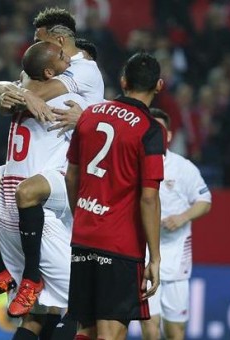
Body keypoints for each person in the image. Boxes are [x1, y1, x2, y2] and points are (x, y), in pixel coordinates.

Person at [0, 7, 104, 316]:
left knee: (27, 192)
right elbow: (6, 92)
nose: (32, 46)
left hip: (65, 169)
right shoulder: (43, 65)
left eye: (38, 40)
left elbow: (35, 89)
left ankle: (30, 278)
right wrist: (6, 94)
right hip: (31, 162)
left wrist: (21, 93)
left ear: (57, 40)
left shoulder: (83, 69)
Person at [64, 52, 166, 340]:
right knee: (110, 332)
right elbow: (149, 198)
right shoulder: (149, 130)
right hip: (120, 244)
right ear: (159, 85)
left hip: (84, 234)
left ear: (123, 81)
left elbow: (71, 175)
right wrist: (155, 258)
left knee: (86, 328)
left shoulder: (90, 114)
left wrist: (82, 215)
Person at [0, 41, 88, 340]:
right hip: (44, 214)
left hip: (15, 215)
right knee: (81, 303)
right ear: (49, 71)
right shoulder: (69, 96)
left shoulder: (19, 95)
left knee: (37, 316)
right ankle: (17, 274)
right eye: (63, 56)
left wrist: (9, 92)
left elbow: (0, 89)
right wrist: (85, 117)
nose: (70, 59)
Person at [139, 108, 212, 340]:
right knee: (150, 329)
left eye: (160, 131)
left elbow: (205, 200)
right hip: (146, 255)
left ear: (168, 136)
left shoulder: (184, 168)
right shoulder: (135, 164)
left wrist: (182, 218)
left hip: (176, 256)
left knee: (175, 331)